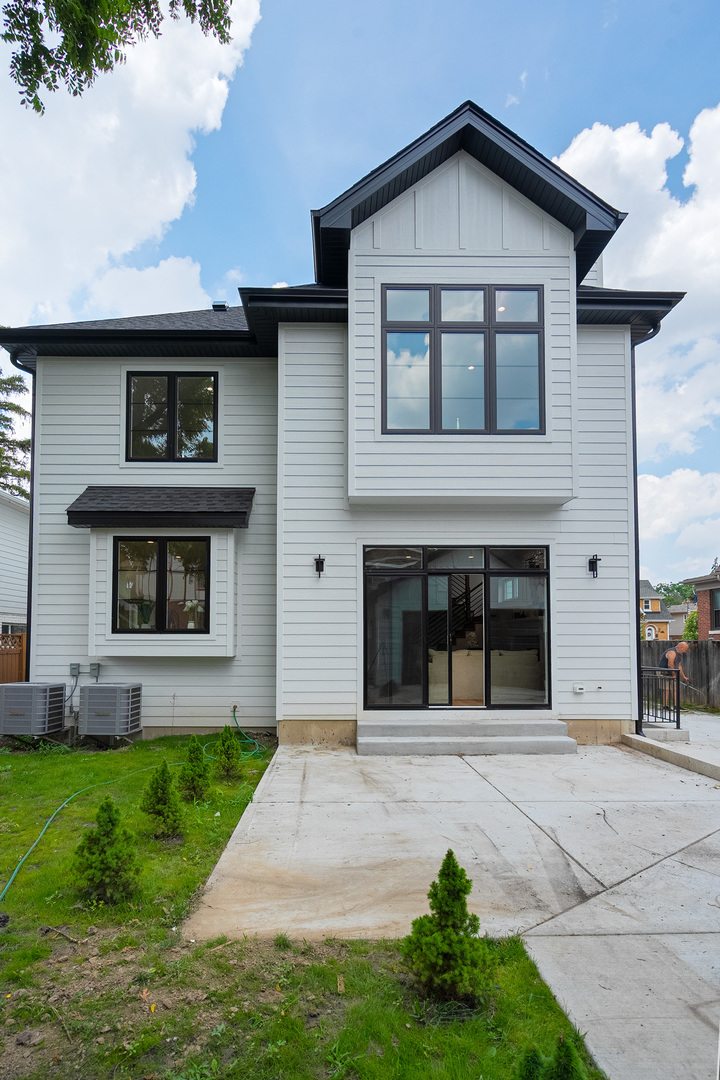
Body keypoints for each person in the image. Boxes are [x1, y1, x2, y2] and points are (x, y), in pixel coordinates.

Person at [659, 640, 691, 706]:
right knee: (666, 689)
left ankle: (677, 706)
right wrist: (674, 675)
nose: (685, 651)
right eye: (685, 649)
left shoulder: (679, 655)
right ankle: (665, 706)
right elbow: (670, 665)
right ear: (681, 647)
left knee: (675, 689)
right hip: (663, 672)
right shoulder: (672, 652)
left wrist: (684, 676)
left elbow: (679, 666)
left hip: (671, 672)